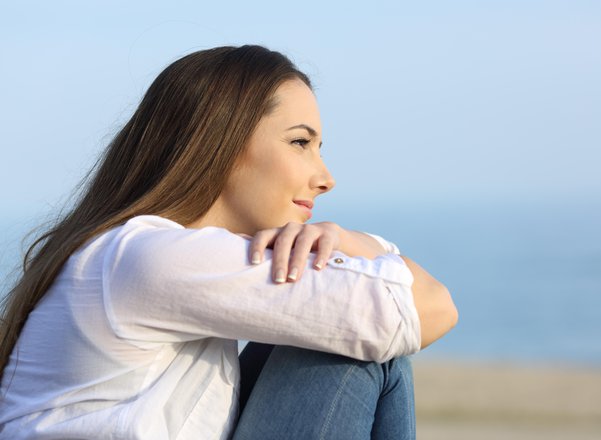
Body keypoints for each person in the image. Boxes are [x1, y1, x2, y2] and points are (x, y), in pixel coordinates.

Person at [0, 45, 458, 439]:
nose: (325, 178)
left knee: (342, 333)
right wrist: (358, 246)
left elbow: (413, 308)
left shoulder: (121, 255)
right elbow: (429, 308)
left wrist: (346, 239)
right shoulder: (149, 258)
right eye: (300, 143)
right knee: (360, 348)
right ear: (220, 143)